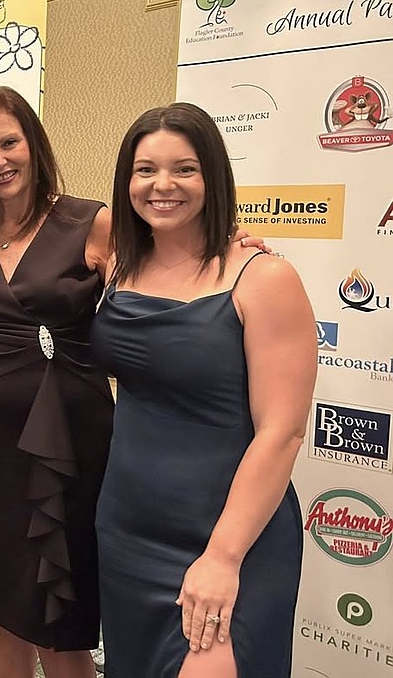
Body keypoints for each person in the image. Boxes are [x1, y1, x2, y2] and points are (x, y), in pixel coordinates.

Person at [90, 102, 314, 678]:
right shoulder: (118, 267)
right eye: (146, 170)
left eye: (184, 169)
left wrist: (222, 557)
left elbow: (283, 431)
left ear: (212, 177)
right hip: (126, 528)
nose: (163, 185)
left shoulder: (263, 277)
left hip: (228, 537)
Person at [0, 86, 113, 678]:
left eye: (9, 142)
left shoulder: (90, 222)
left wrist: (233, 250)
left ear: (32, 144)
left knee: (59, 611)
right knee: (2, 593)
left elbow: (162, 289)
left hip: (71, 439)